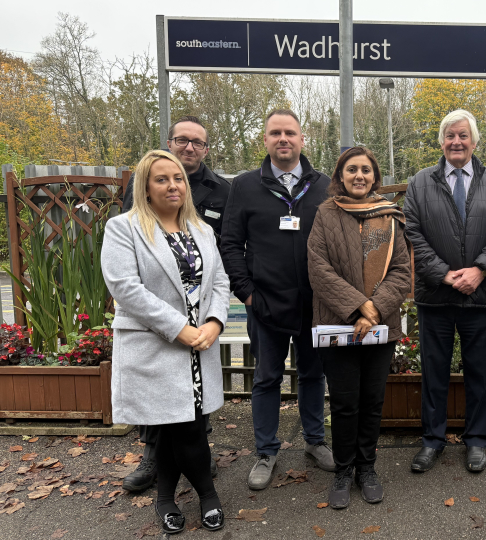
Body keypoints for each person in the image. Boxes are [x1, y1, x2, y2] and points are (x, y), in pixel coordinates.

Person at [102, 150, 230, 534]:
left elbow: (220, 282)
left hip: (198, 347)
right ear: (145, 186)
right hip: (157, 345)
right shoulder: (124, 228)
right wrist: (180, 328)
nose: (173, 185)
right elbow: (125, 288)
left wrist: (214, 322)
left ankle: (165, 499)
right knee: (178, 428)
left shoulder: (202, 230)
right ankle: (208, 496)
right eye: (162, 179)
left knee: (185, 424)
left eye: (178, 178)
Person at [221, 109, 335, 490]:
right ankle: (266, 451)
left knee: (313, 375)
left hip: (314, 303)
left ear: (303, 139)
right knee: (267, 378)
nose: (283, 139)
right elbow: (231, 243)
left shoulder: (324, 186)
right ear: (265, 140)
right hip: (265, 303)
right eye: (275, 133)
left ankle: (315, 443)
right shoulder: (245, 185)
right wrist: (247, 293)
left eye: (290, 132)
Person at [404, 109, 486, 474]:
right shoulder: (420, 183)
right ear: (441, 142)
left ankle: (475, 441)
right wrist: (444, 274)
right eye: (450, 135)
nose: (456, 142)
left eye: (463, 136)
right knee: (433, 374)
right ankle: (432, 441)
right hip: (435, 296)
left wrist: (480, 270)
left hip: (480, 297)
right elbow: (413, 234)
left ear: (474, 142)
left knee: (478, 375)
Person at [122, 115, 230, 493]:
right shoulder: (129, 217)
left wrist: (214, 321)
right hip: (160, 329)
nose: (190, 147)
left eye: (197, 142)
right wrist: (177, 326)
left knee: (194, 408)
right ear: (170, 143)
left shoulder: (219, 193)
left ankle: (199, 460)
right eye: (182, 139)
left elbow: (220, 266)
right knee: (159, 408)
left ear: (205, 148)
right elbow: (126, 280)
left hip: (201, 327)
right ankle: (154, 462)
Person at [307, 146, 411, 509]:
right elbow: (318, 269)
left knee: (372, 401)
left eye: (366, 170)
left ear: (375, 176)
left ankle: (367, 467)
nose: (359, 176)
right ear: (340, 175)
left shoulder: (391, 216)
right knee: (344, 402)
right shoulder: (326, 214)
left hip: (380, 328)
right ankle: (343, 468)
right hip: (339, 325)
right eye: (352, 169)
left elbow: (402, 271)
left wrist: (376, 310)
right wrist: (359, 307)